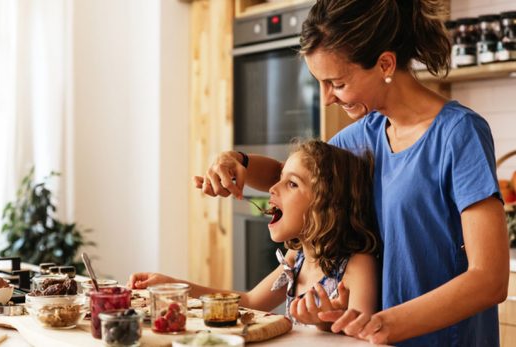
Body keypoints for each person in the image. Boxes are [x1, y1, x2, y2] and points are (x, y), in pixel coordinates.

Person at [194, 0, 510, 346]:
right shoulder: (365, 134)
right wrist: (238, 163)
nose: (327, 98)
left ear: (385, 63)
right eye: (322, 84)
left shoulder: (458, 133)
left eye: (338, 83)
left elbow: (489, 278)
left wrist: (384, 323)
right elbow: (296, 177)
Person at [129, 140, 380, 329]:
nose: (272, 188)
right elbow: (248, 301)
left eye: (292, 184)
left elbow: (365, 336)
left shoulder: (356, 265)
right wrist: (172, 287)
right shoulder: (296, 259)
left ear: (329, 205)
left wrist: (325, 323)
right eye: (280, 178)